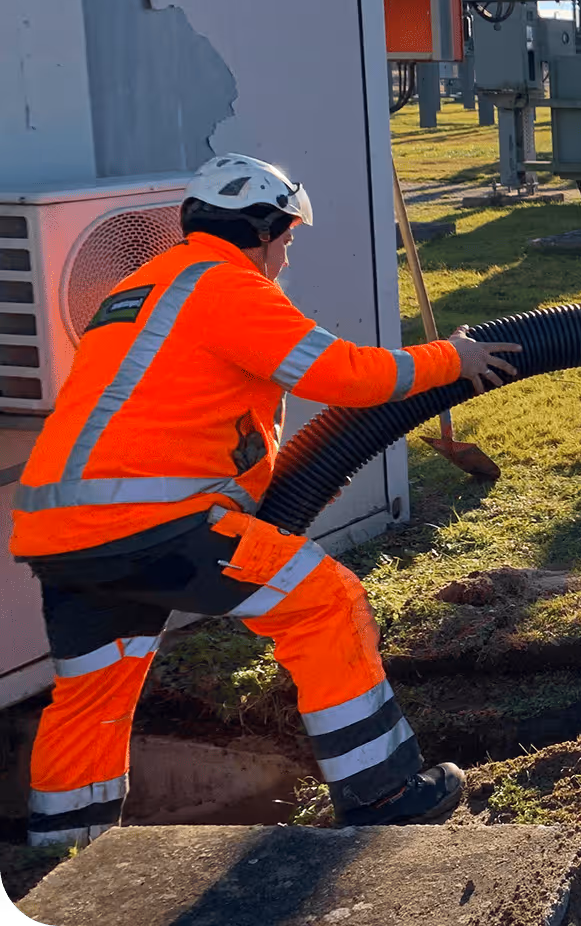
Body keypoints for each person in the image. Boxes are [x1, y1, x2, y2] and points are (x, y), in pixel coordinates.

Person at [10, 154, 523, 849]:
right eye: (288, 238)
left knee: (93, 694)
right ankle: (385, 792)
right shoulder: (225, 286)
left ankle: (64, 847)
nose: (286, 255)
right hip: (155, 529)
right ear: (265, 230)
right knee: (325, 602)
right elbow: (340, 374)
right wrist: (449, 359)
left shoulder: (141, 288)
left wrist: (290, 479)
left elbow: (183, 424)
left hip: (62, 537)